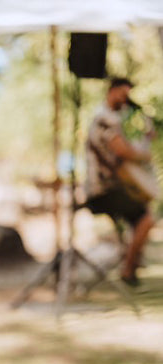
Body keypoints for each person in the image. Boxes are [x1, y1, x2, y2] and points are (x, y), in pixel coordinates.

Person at [85, 77, 156, 287]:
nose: (126, 100)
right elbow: (123, 151)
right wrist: (145, 155)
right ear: (113, 91)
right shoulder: (104, 119)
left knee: (144, 216)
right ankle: (128, 268)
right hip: (102, 190)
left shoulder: (112, 119)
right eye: (123, 94)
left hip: (114, 188)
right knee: (146, 218)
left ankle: (130, 261)